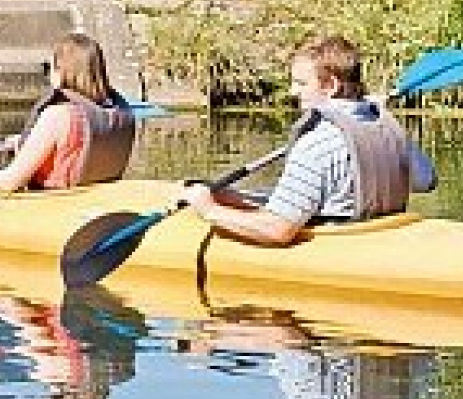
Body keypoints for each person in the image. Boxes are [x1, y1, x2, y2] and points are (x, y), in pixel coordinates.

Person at [183, 35, 437, 245]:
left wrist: (209, 210)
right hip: (380, 235)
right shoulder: (391, 129)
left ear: (332, 85)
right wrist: (237, 199)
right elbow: (426, 181)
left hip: (340, 245)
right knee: (243, 197)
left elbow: (276, 230)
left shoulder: (316, 143)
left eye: (302, 83)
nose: (294, 92)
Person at [0, 31, 135, 191]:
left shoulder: (59, 115)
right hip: (95, 203)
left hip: (54, 206)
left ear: (61, 71)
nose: (48, 75)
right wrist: (28, 144)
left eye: (49, 67)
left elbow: (8, 182)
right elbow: (74, 146)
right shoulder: (120, 110)